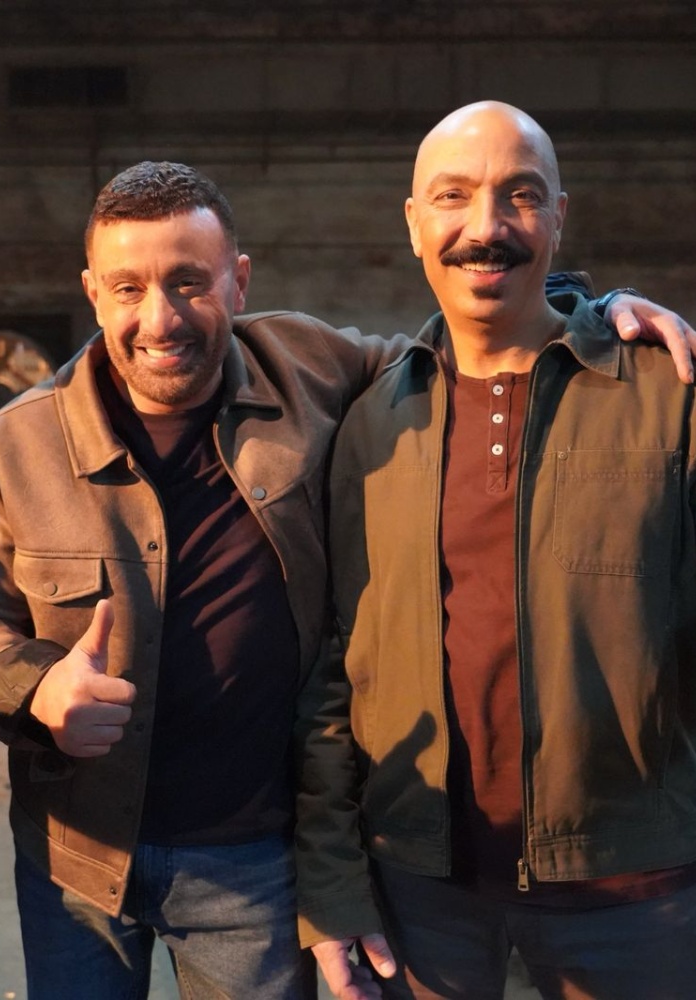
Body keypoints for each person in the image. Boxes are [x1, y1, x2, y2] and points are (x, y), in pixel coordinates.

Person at [0, 158, 690, 999]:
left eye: (190, 282)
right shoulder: (15, 447)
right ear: (93, 292)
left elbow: (469, 345)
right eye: (128, 288)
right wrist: (37, 687)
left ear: (239, 280)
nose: (160, 318)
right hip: (76, 859)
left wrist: (592, 310)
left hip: (252, 859)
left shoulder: (313, 368)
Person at [310, 100, 696, 1000]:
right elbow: (332, 671)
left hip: (635, 895)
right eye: (453, 196)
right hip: (421, 896)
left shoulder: (669, 396)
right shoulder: (370, 424)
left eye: (520, 195)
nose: (485, 228)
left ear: (559, 216)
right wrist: (331, 881)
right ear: (414, 224)